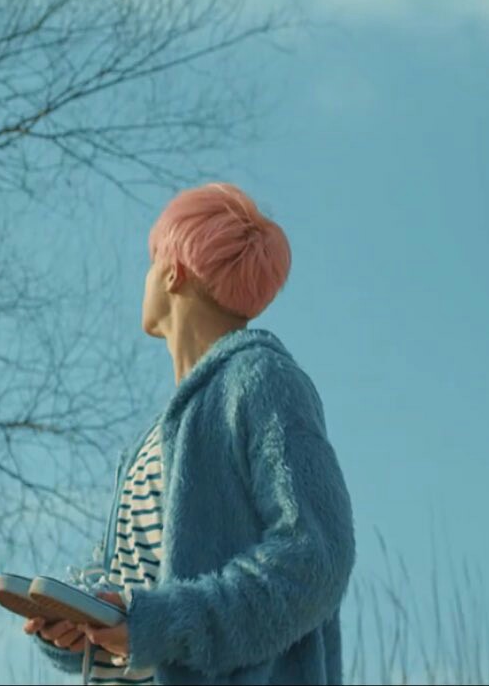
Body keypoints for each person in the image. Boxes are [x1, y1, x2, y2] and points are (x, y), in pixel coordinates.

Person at [24, 181, 356, 684]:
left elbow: (315, 559)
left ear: (172, 271)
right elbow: (137, 601)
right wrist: (81, 621)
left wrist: (165, 625)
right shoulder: (150, 444)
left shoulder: (265, 381)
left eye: (150, 262)